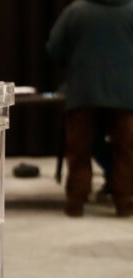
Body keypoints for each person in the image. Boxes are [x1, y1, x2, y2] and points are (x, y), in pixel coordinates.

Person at [47, 0, 133, 217]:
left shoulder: (75, 11)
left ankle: (75, 203)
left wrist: (75, 63)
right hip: (125, 93)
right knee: (126, 150)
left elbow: (54, 47)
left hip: (83, 91)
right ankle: (125, 202)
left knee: (79, 150)